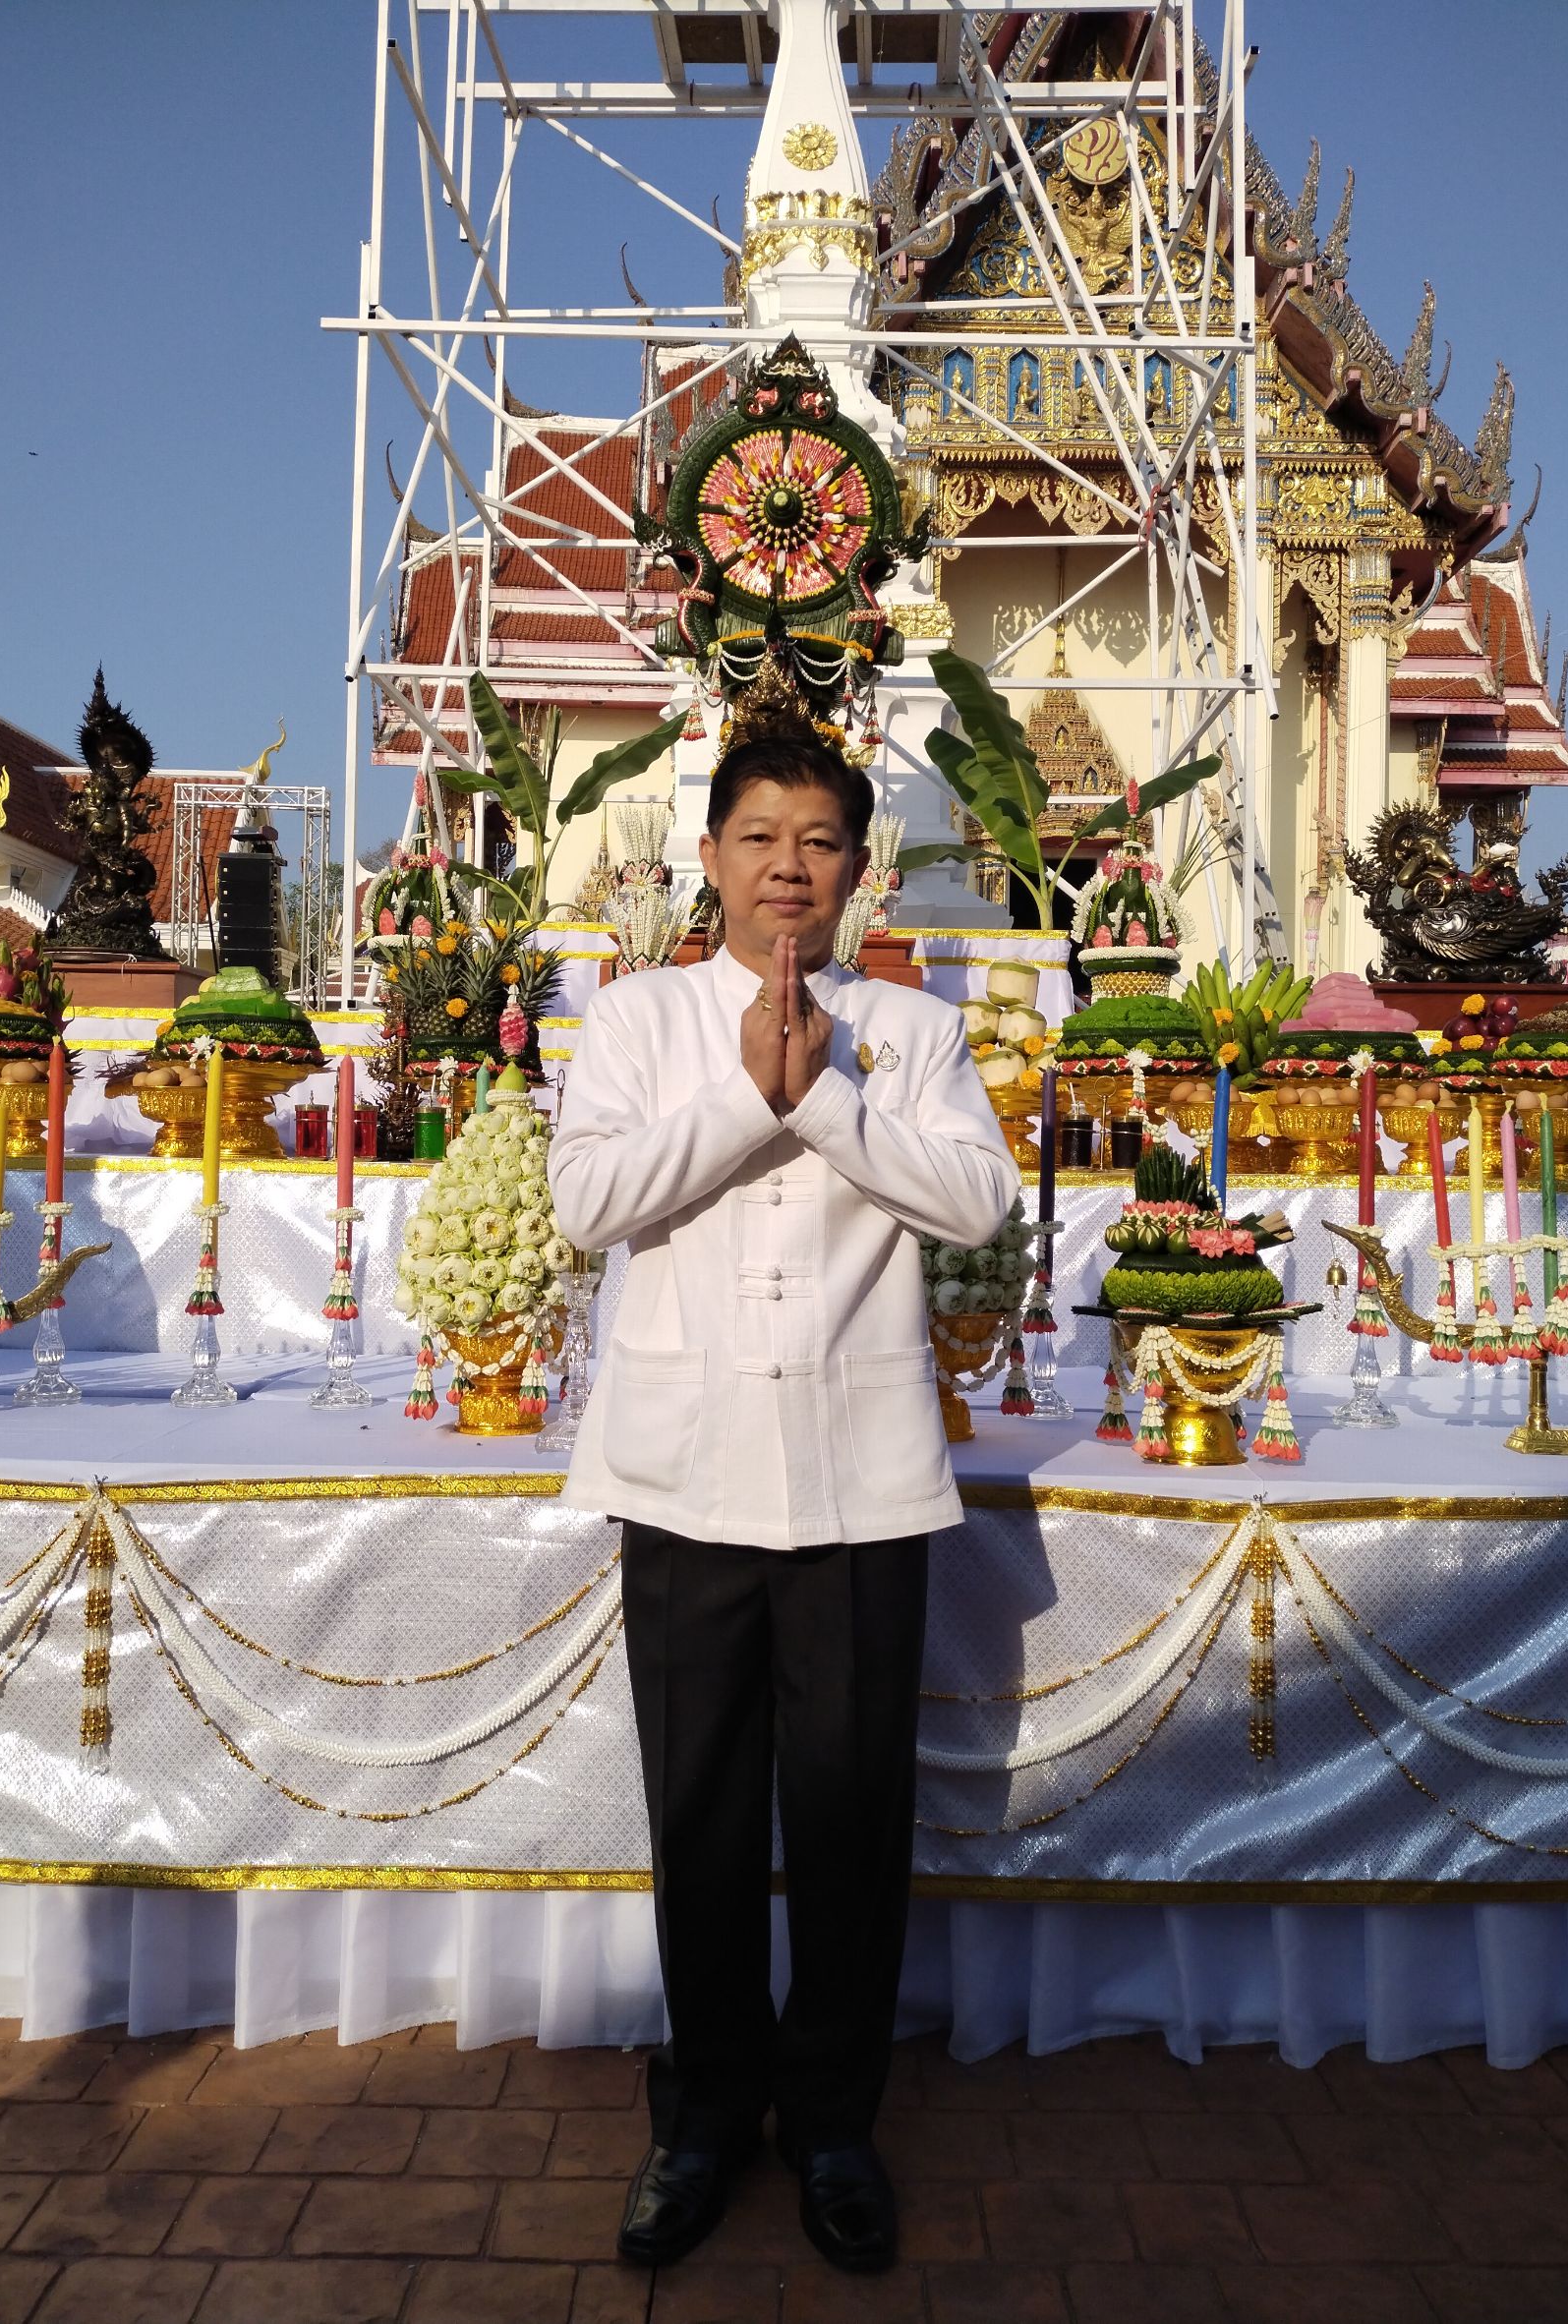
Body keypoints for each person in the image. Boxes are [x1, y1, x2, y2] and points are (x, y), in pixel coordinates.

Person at [549, 677, 1018, 2275]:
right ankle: (700, 2119)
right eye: (758, 837)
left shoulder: (912, 1032)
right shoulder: (635, 1019)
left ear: (857, 871)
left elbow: (968, 1204)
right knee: (696, 1810)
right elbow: (590, 1200)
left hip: (859, 1482)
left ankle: (830, 2121)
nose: (787, 869)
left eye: (820, 841)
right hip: (682, 1476)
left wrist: (820, 1091)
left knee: (843, 1819)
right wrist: (743, 1090)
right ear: (709, 853)